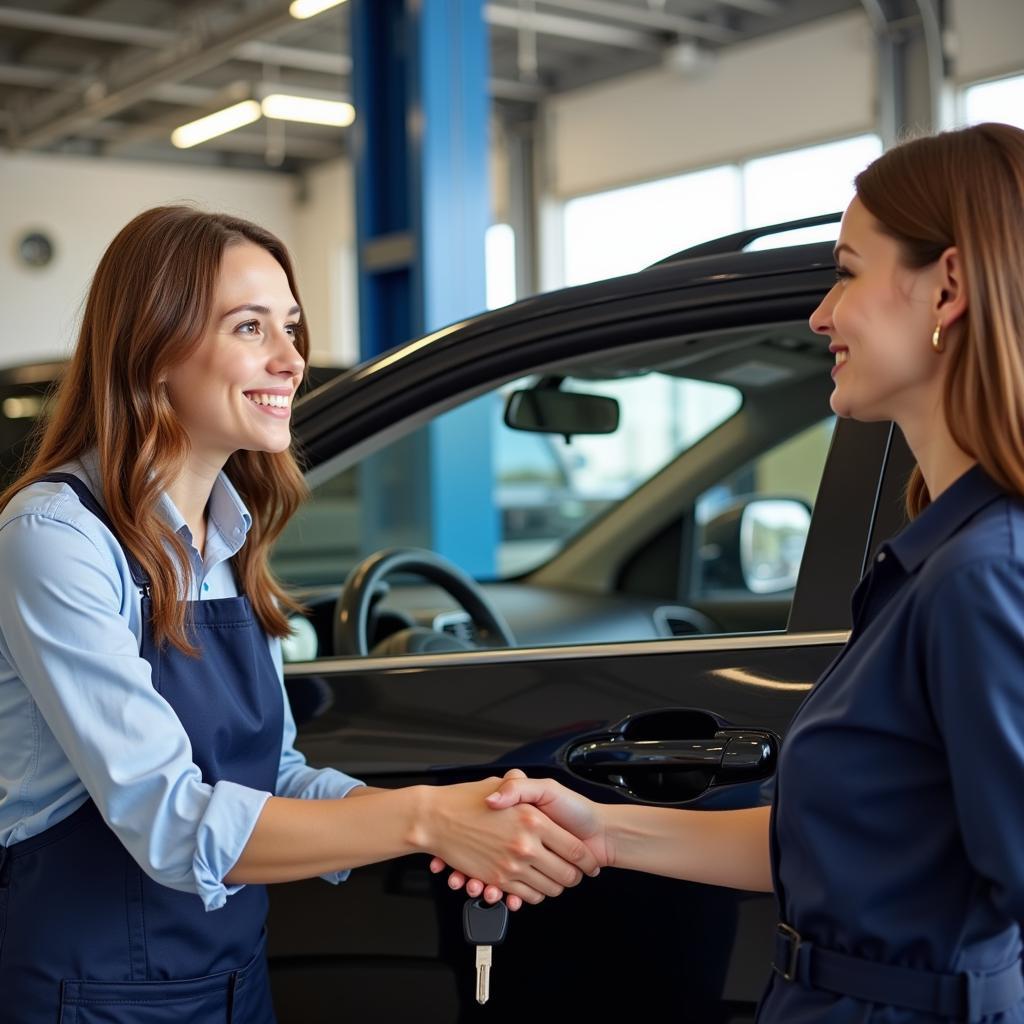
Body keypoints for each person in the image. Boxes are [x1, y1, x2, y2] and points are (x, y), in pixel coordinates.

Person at [438, 122, 1024, 1022]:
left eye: (848, 270)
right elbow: (827, 846)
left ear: (947, 287)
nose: (821, 314)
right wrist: (601, 831)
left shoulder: (982, 576)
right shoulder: (930, 561)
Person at [0, 205, 598, 1023]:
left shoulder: (229, 532)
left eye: (291, 327)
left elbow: (273, 777)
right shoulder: (55, 537)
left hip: (232, 980)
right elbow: (172, 822)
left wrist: (457, 813)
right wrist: (425, 821)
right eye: (251, 328)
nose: (291, 361)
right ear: (154, 346)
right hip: (92, 993)